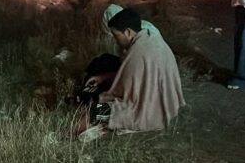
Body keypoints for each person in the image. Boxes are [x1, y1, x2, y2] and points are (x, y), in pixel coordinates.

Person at [77, 8, 185, 139]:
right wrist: (103, 77)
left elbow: (121, 92)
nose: (116, 40)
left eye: (117, 36)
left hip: (149, 115)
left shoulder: (137, 51)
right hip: (170, 107)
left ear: (128, 32)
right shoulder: (151, 37)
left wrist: (98, 98)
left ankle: (62, 136)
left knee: (95, 111)